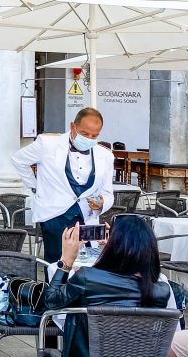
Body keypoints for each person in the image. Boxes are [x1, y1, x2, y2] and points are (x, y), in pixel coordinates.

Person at [42, 217, 171, 357]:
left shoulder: (88, 278)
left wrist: (66, 260)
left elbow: (51, 302)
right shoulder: (161, 289)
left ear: (115, 245)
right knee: (129, 336)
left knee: (102, 338)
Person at [11, 107, 115, 263]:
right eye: (85, 134)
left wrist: (101, 203)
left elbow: (108, 192)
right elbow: (18, 160)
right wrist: (37, 187)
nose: (89, 138)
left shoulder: (106, 156)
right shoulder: (47, 143)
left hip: (87, 219)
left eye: (95, 136)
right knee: (56, 264)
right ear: (73, 126)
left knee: (87, 265)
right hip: (54, 215)